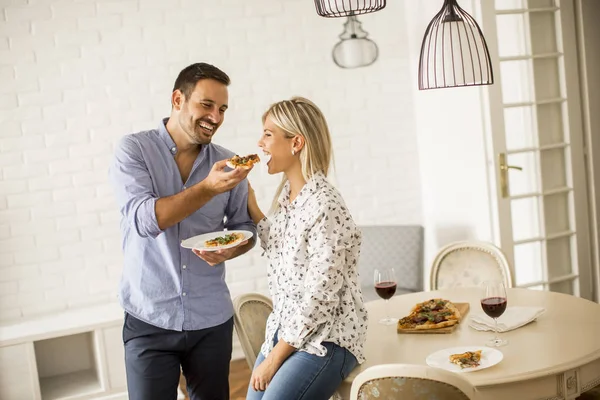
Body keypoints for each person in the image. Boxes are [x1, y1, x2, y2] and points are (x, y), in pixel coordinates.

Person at [108, 62, 257, 400]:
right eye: (206, 105)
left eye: (222, 109)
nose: (216, 117)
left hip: (211, 319)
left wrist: (235, 247)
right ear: (178, 99)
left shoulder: (230, 163)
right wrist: (208, 188)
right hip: (150, 317)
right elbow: (146, 220)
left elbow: (244, 226)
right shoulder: (134, 151)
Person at [245, 97, 368, 400]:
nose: (260, 142)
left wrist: (274, 359)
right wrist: (250, 204)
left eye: (268, 134)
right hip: (286, 330)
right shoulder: (289, 197)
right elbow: (280, 250)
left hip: (328, 338)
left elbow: (320, 297)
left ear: (296, 142)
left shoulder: (325, 205)